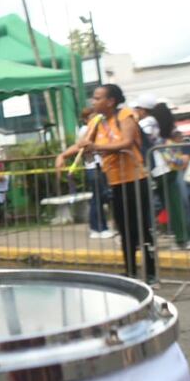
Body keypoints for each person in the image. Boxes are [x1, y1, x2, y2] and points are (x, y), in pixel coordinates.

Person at [57, 84, 158, 283]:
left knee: (142, 227)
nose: (93, 102)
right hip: (115, 180)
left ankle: (152, 273)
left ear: (110, 101)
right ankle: (130, 272)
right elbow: (82, 144)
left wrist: (96, 147)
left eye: (97, 98)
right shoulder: (96, 121)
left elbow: (127, 142)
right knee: (124, 227)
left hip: (136, 179)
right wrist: (63, 155)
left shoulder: (125, 116)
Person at [150, 103, 190, 251]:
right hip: (171, 170)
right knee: (176, 205)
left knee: (176, 206)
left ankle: (184, 238)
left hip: (166, 171)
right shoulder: (169, 132)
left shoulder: (157, 134)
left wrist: (182, 159)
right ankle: (183, 237)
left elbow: (180, 150)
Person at [76, 107, 115, 240]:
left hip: (100, 166)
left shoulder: (99, 130)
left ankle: (100, 226)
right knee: (98, 197)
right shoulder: (85, 130)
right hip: (93, 166)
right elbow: (83, 148)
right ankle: (98, 227)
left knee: (98, 197)